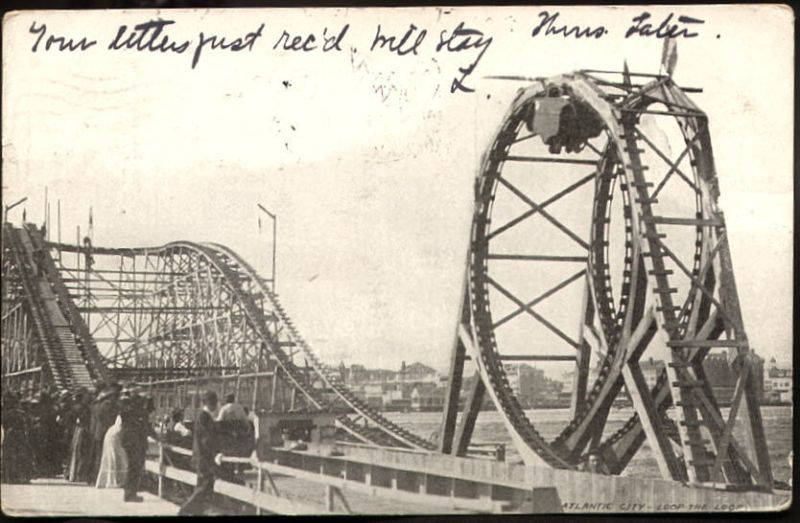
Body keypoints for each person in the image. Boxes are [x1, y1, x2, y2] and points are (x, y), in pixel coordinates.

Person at [178, 391, 223, 516]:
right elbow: (207, 440)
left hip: (202, 457)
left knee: (203, 486)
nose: (215, 405)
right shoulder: (205, 417)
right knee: (204, 486)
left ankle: (197, 512)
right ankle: (184, 511)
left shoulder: (203, 416)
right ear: (208, 403)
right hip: (204, 458)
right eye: (213, 402)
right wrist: (216, 453)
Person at [119, 385, 155, 502]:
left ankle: (130, 492)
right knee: (134, 466)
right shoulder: (134, 409)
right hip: (134, 441)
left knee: (134, 466)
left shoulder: (128, 407)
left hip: (131, 441)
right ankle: (130, 493)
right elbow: (145, 423)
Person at [1, 393, 35, 484]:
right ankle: (21, 477)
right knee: (20, 456)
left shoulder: (5, 414)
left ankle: (9, 477)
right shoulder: (20, 414)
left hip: (9, 436)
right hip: (19, 436)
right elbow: (26, 426)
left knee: (10, 457)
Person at [90, 383, 121, 481]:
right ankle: (104, 477)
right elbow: (110, 419)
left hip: (97, 431)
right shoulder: (108, 406)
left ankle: (96, 476)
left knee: (98, 455)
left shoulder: (96, 405)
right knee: (105, 456)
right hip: (106, 431)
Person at [66, 388, 93, 483]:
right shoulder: (84, 408)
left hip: (76, 430)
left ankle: (71, 473)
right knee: (81, 452)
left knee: (75, 451)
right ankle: (79, 474)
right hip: (82, 429)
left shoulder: (73, 407)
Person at [95, 414, 128, 488]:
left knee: (112, 458)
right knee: (115, 458)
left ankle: (112, 480)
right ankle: (113, 481)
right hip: (115, 436)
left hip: (112, 434)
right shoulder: (126, 415)